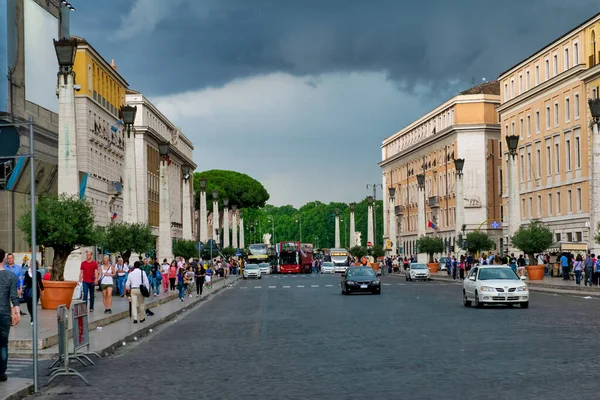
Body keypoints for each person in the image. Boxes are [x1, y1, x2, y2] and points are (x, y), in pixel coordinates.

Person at [0, 248, 21, 381]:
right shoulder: (10, 276)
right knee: (3, 344)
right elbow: (14, 296)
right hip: (4, 313)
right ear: (3, 259)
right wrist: (17, 312)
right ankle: (1, 372)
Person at [23, 260, 44, 325]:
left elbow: (40, 283)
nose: (31, 264)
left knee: (34, 305)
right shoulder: (26, 272)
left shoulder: (38, 273)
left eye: (33, 263)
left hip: (35, 291)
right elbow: (25, 282)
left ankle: (33, 318)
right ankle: (32, 316)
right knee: (29, 305)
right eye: (31, 263)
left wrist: (43, 290)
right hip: (28, 291)